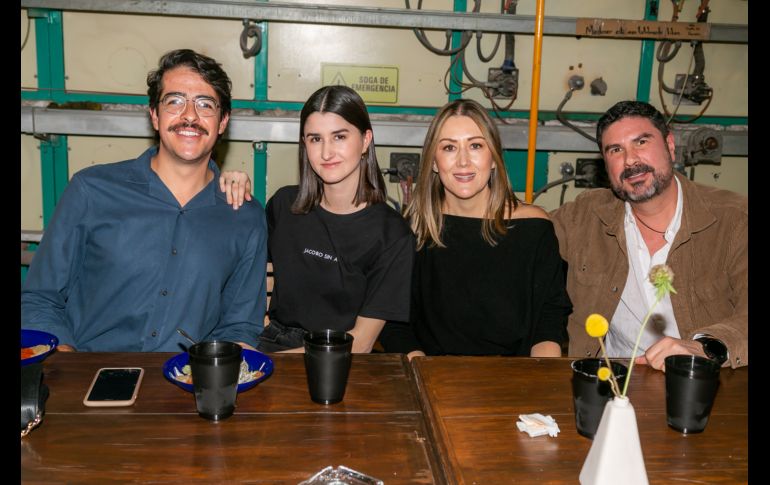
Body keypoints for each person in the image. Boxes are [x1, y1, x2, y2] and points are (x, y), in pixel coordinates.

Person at [21, 49, 268, 352]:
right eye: (175, 101)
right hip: (89, 374)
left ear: (222, 122)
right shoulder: (92, 190)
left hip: (186, 387)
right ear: (154, 115)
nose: (189, 116)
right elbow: (40, 298)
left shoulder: (243, 216)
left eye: (205, 104)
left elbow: (240, 326)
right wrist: (68, 365)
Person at [551, 100, 747, 369]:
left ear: (669, 145)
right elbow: (524, 233)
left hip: (704, 386)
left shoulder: (734, 220)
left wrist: (705, 347)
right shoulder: (586, 215)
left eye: (641, 142)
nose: (630, 160)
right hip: (614, 386)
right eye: (616, 150)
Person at [378, 99, 572, 358]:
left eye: (476, 146)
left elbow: (549, 320)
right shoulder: (411, 232)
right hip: (433, 379)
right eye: (449, 147)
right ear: (434, 162)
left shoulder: (534, 228)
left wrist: (540, 381)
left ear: (493, 158)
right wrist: (424, 374)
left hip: (515, 383)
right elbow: (395, 325)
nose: (463, 161)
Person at [251, 85, 414, 353]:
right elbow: (260, 279)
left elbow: (361, 343)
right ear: (305, 144)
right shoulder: (283, 205)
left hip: (339, 357)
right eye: (315, 139)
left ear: (365, 140)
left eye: (339, 137)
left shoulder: (392, 235)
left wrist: (275, 363)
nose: (326, 153)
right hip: (271, 343)